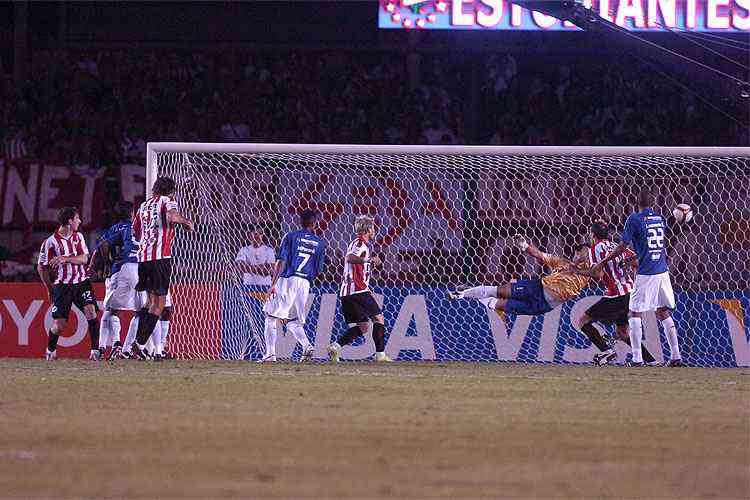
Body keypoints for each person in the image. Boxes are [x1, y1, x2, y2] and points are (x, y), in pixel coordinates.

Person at [586, 188, 683, 367]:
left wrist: (604, 261)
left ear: (636, 204)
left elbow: (622, 246)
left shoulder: (634, 219)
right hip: (662, 270)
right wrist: (630, 261)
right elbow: (645, 248)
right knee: (663, 312)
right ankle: (676, 356)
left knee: (634, 313)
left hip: (646, 273)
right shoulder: (658, 218)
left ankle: (637, 359)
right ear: (652, 204)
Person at [575, 220, 658, 366]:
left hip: (615, 295)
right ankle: (651, 361)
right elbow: (637, 262)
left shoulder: (595, 249)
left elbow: (597, 274)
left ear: (592, 234)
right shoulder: (617, 246)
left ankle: (607, 351)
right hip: (630, 293)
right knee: (622, 333)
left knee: (583, 321)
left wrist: (577, 271)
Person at [448, 235, 591, 318]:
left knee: (498, 304)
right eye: (578, 251)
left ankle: (471, 291)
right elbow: (539, 254)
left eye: (583, 252)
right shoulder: (562, 262)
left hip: (543, 305)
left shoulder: (589, 272)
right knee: (502, 290)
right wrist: (525, 245)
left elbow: (591, 260)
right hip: (537, 287)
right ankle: (461, 294)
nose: (579, 253)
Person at [130, 177, 193, 359]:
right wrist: (186, 222)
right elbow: (172, 216)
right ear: (170, 191)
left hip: (143, 259)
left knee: (150, 303)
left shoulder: (143, 205)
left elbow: (135, 229)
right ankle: (139, 344)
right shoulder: (168, 201)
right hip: (160, 258)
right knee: (159, 306)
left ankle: (138, 344)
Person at [261, 210, 326, 362]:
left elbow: (281, 261)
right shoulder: (320, 243)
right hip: (305, 283)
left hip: (288, 279)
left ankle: (270, 354)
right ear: (314, 223)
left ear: (300, 221)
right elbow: (319, 270)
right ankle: (307, 345)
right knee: (291, 320)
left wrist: (273, 283)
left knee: (270, 316)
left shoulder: (291, 236)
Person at [37, 207, 101, 360]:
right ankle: (50, 351)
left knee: (91, 313)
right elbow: (41, 267)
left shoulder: (78, 237)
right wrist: (49, 288)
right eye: (77, 218)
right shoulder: (50, 243)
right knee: (59, 325)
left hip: (81, 282)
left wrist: (65, 259)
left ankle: (95, 351)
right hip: (62, 286)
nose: (80, 221)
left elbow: (85, 258)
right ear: (69, 221)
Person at [327, 215, 392, 363]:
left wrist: (371, 265)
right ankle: (380, 355)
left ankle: (335, 347)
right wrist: (368, 260)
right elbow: (349, 258)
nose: (374, 230)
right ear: (368, 229)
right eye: (373, 227)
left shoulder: (359, 244)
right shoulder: (360, 244)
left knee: (363, 327)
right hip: (358, 290)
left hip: (347, 293)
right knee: (379, 318)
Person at [88, 201, 141, 360]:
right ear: (132, 213)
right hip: (140, 269)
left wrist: (98, 265)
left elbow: (101, 246)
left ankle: (106, 346)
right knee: (142, 311)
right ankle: (127, 348)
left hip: (119, 270)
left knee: (111, 310)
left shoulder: (115, 228)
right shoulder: (139, 226)